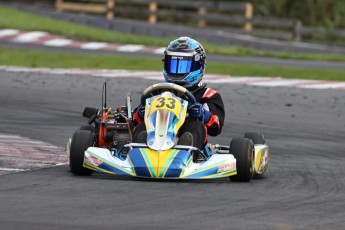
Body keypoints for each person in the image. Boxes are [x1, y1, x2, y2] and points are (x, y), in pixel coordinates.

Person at [132, 36, 225, 153]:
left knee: (197, 126)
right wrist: (140, 113)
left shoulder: (207, 95)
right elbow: (133, 120)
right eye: (173, 65)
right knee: (141, 127)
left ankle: (186, 150)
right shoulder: (157, 91)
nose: (176, 71)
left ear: (198, 65)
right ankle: (139, 153)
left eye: (182, 66)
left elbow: (216, 127)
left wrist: (202, 115)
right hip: (156, 137)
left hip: (186, 138)